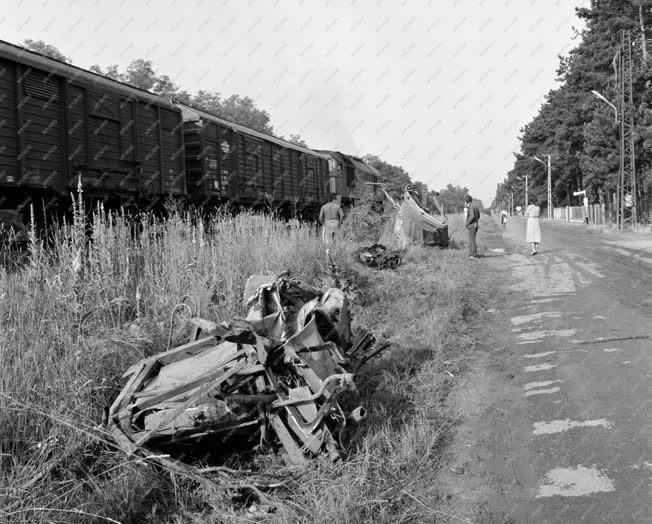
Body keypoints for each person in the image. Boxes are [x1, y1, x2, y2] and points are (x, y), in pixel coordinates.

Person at [464, 194, 480, 259]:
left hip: (472, 226)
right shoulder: (475, 206)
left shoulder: (470, 206)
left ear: (466, 201)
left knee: (472, 240)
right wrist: (475, 222)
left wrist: (467, 223)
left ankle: (473, 255)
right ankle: (471, 254)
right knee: (472, 240)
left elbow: (472, 216)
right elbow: (478, 216)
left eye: (465, 200)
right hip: (476, 225)